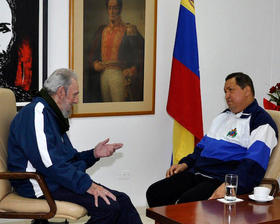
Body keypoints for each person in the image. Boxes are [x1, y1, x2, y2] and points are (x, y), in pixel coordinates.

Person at [7, 68, 143, 224]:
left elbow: (67, 159)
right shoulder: (36, 114)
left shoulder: (53, 115)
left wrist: (94, 154)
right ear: (61, 92)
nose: (77, 100)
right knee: (109, 207)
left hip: (53, 179)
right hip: (38, 184)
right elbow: (49, 163)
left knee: (122, 201)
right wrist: (87, 185)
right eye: (75, 94)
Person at [146, 72, 278, 207]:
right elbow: (201, 149)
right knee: (155, 192)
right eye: (225, 91)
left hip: (221, 178)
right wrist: (185, 164)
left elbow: (253, 165)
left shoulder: (261, 122)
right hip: (198, 173)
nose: (226, 96)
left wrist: (230, 185)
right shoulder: (222, 117)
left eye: (230, 90)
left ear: (247, 91)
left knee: (187, 203)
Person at [87, 0, 144, 102]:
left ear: (120, 9)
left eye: (115, 8)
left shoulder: (128, 29)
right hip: (103, 74)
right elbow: (92, 53)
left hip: (119, 75)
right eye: (110, 8)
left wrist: (132, 69)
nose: (112, 11)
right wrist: (94, 64)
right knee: (105, 108)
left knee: (118, 108)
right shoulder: (101, 30)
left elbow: (140, 52)